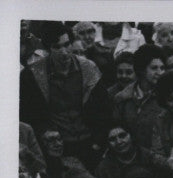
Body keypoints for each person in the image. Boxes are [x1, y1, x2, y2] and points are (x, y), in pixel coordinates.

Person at [19, 21, 112, 168]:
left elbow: (105, 110)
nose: (64, 52)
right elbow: (30, 115)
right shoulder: (31, 75)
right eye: (57, 47)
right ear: (47, 49)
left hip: (90, 144)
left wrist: (98, 143)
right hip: (55, 148)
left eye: (67, 44)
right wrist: (46, 136)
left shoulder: (89, 68)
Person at [111, 44, 167, 151]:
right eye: (154, 68)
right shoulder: (122, 98)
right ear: (142, 69)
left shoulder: (166, 97)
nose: (159, 72)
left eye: (162, 68)